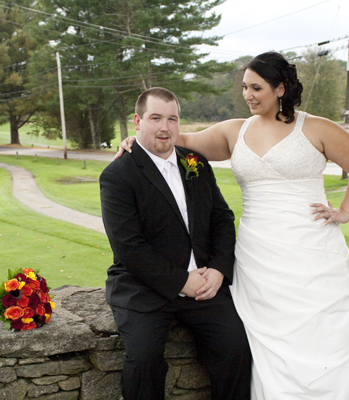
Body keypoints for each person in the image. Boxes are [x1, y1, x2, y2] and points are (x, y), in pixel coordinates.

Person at [117, 53, 349, 399]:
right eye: (245, 87)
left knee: (323, 331)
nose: (248, 94)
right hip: (259, 254)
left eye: (257, 87)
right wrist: (134, 140)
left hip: (310, 250)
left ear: (280, 88)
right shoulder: (235, 131)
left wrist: (346, 211)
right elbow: (178, 137)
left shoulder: (316, 128)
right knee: (266, 338)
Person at [100, 87, 252, 400]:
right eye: (156, 118)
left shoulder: (196, 163)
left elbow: (222, 220)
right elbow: (129, 248)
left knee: (237, 345)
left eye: (172, 119)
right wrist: (182, 281)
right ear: (137, 121)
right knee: (143, 358)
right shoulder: (118, 175)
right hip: (144, 288)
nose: (165, 127)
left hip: (205, 286)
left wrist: (220, 270)